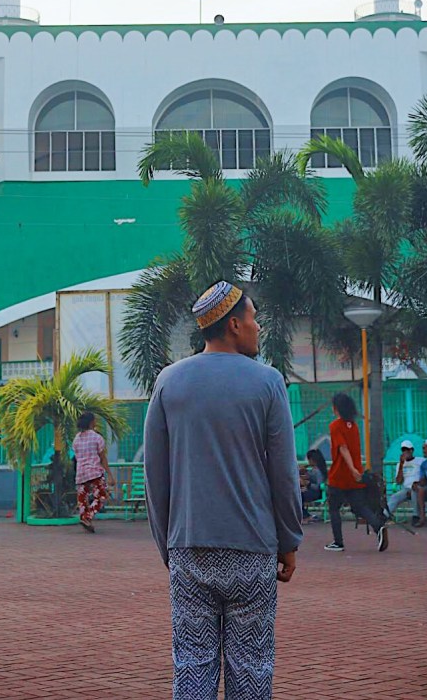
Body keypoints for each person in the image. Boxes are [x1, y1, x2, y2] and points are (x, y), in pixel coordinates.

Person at [144, 281, 303, 700]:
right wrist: (289, 541)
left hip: (189, 548)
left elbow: (155, 476)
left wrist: (169, 546)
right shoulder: (268, 383)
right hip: (252, 550)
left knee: (192, 666)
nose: (257, 327)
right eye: (253, 319)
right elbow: (284, 474)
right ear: (234, 324)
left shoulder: (169, 382)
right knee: (251, 668)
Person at [324, 391, 388, 553]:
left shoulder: (335, 426)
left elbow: (343, 448)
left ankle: (338, 542)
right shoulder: (354, 426)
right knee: (359, 507)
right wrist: (355, 470)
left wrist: (350, 468)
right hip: (356, 475)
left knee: (333, 508)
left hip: (340, 474)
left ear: (337, 408)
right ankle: (378, 526)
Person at [73, 412, 115, 533]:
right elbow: (102, 458)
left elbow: (77, 457)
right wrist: (110, 475)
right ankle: (88, 517)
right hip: (95, 472)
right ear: (92, 422)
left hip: (81, 473)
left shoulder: (76, 439)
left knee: (82, 499)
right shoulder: (97, 438)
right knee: (102, 495)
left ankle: (85, 519)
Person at [387, 440, 423, 517]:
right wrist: (401, 465)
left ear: (412, 450)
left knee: (414, 491)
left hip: (417, 487)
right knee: (394, 497)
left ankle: (416, 515)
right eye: (403, 450)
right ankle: (384, 515)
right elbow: (399, 481)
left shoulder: (420, 461)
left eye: (408, 450)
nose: (406, 452)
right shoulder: (400, 464)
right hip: (406, 489)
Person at [300, 448, 327, 521]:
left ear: (312, 460)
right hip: (313, 491)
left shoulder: (318, 471)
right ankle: (305, 515)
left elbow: (319, 486)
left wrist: (308, 484)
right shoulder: (313, 469)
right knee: (299, 494)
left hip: (317, 493)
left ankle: (305, 515)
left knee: (300, 496)